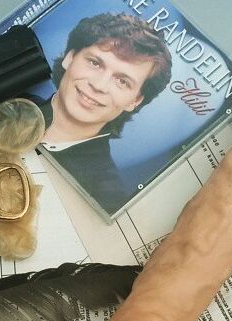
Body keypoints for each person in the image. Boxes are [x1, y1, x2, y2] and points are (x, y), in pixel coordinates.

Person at [37, 13, 172, 214]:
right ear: (70, 57)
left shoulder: (104, 195)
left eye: (122, 81)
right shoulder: (9, 100)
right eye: (95, 63)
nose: (99, 85)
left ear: (135, 101)